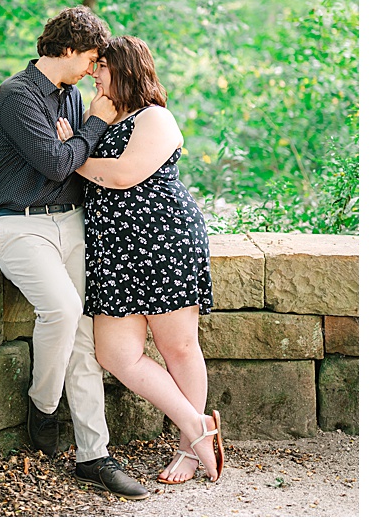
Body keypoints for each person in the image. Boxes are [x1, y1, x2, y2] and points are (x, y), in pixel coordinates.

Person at [0, 8, 150, 497]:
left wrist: (75, 144)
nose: (96, 71)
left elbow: (75, 164)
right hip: (18, 222)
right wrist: (88, 129)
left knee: (82, 336)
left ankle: (94, 455)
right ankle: (44, 403)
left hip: (70, 222)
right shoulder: (16, 95)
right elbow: (58, 163)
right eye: (93, 58)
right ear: (70, 48)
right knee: (61, 308)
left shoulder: (73, 98)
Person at [76, 36, 222, 486]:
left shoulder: (155, 117)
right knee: (115, 354)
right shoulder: (100, 117)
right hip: (114, 252)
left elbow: (122, 175)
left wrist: (71, 157)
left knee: (178, 347)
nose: (94, 75)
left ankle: (189, 451)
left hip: (164, 241)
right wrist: (80, 141)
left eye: (101, 67)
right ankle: (198, 425)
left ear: (125, 70)